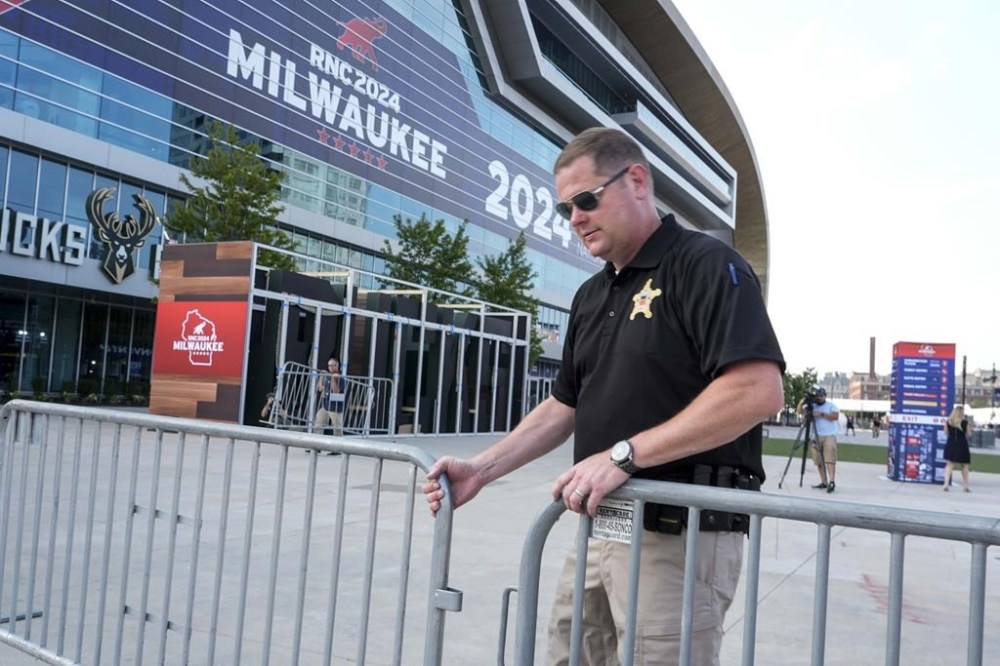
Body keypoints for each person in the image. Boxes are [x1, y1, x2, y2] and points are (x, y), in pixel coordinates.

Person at [422, 128, 785, 665]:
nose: (575, 218)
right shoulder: (591, 294)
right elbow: (564, 405)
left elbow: (757, 390)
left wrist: (624, 455)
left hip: (677, 538)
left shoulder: (704, 264)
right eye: (566, 207)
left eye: (586, 200)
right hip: (598, 525)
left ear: (637, 180)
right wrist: (482, 469)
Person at [798, 387, 839, 492]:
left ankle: (832, 482)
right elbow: (799, 411)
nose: (819, 398)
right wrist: (803, 401)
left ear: (825, 396)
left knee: (830, 459)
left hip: (829, 435)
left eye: (821, 396)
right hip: (815, 436)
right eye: (818, 396)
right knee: (818, 460)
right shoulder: (813, 406)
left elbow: (835, 416)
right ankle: (824, 482)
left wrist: (821, 414)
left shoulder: (830, 405)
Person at [314, 357, 346, 442]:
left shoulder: (340, 378)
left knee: (337, 428)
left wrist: (333, 379)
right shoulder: (328, 376)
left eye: (332, 365)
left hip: (335, 407)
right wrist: (321, 377)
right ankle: (316, 446)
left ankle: (337, 448)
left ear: (337, 366)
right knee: (318, 424)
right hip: (326, 405)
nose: (330, 368)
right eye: (329, 366)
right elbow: (320, 388)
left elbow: (335, 391)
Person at [942, 406, 971, 492]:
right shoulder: (965, 422)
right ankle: (965, 486)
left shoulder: (949, 422)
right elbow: (969, 434)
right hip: (962, 444)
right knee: (964, 465)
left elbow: (946, 432)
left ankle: (946, 484)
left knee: (949, 464)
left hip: (951, 444)